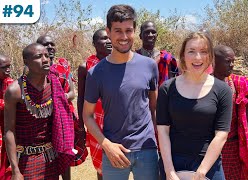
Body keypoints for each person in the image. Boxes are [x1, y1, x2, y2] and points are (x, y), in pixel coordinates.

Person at [83, 4, 159, 180]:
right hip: (113, 152)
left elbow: (154, 108)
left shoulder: (149, 66)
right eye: (118, 31)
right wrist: (106, 145)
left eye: (129, 30)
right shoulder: (96, 73)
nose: (124, 37)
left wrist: (159, 143)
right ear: (108, 32)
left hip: (147, 150)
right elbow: (87, 115)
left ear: (134, 32)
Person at [157, 32, 233, 180]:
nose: (198, 57)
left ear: (210, 56)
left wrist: (202, 172)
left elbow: (221, 135)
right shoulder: (167, 88)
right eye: (191, 51)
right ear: (183, 55)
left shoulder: (223, 90)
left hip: (209, 165)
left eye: (203, 52)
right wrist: (169, 171)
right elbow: (163, 131)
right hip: (173, 162)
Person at [4, 43, 74, 179]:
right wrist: (15, 170)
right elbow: (9, 130)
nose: (45, 60)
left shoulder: (54, 85)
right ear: (26, 62)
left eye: (47, 56)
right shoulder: (15, 91)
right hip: (26, 159)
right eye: (38, 56)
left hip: (51, 158)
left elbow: (62, 124)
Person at [36, 35, 88, 180]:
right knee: (48, 155)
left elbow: (72, 93)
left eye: (52, 44)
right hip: (44, 118)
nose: (50, 47)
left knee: (65, 153)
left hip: (65, 117)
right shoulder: (33, 69)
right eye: (46, 44)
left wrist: (58, 98)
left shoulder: (63, 66)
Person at [213, 45, 248, 180]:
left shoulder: (238, 84)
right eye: (228, 61)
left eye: (233, 61)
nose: (232, 65)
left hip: (232, 148)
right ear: (214, 61)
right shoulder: (204, 86)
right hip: (209, 146)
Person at [77, 28, 112, 180]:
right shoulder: (85, 67)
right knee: (100, 166)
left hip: (117, 121)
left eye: (109, 38)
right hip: (94, 123)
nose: (108, 41)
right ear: (94, 43)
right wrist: (80, 125)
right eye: (103, 38)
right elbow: (80, 97)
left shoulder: (118, 63)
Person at [136, 21, 179, 86]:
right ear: (140, 36)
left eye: (153, 32)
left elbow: (172, 83)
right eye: (146, 32)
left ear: (157, 36)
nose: (150, 35)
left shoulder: (166, 59)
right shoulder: (134, 57)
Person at [0, 54, 13, 179]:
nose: (8, 70)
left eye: (9, 66)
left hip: (6, 129)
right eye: (4, 67)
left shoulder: (10, 83)